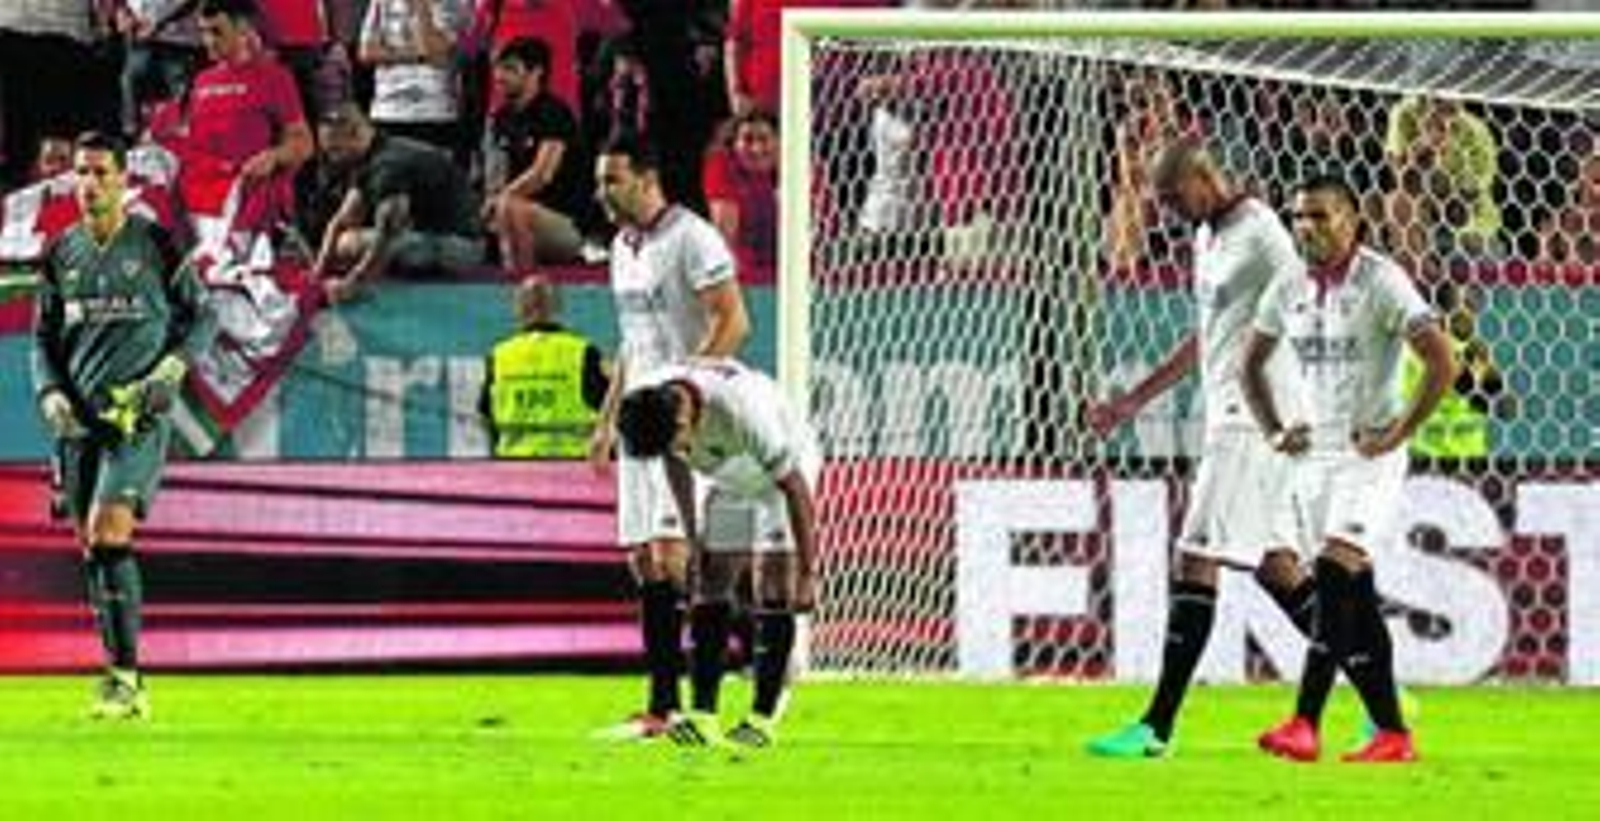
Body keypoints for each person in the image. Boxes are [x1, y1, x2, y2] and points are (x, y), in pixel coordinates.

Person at [1084, 136, 1328, 759]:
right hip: (1232, 416)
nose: (1167, 211)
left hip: (1255, 418)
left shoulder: (1265, 234)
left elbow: (1316, 293)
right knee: (1277, 566)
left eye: (1172, 197)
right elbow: (1207, 337)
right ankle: (1377, 685)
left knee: (1195, 557)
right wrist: (1132, 401)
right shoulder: (1207, 238)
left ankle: (1155, 728)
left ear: (1204, 177)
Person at [1245, 174, 1455, 763]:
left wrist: (1398, 432)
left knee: (1336, 574)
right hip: (1313, 458)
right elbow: (1250, 363)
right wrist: (1272, 428)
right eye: (1298, 217)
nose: (1306, 227)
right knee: (1351, 601)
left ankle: (1305, 723)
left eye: (1320, 216)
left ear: (1353, 219)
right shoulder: (1287, 284)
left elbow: (1442, 359)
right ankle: (1391, 731)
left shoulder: (1382, 280)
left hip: (1369, 457)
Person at [31, 131, 216, 719]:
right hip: (78, 423)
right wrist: (50, 393)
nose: (88, 185)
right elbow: (42, 339)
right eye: (81, 174)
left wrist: (169, 367)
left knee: (109, 531)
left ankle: (128, 679)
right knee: (92, 546)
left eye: (100, 173)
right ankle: (118, 676)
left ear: (123, 180)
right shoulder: (62, 253)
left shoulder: (157, 244)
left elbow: (203, 318)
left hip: (135, 417)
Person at [589, 135, 751, 741]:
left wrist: (685, 393)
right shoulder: (621, 249)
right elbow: (633, 342)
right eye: (601, 181)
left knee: (676, 555)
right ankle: (661, 706)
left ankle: (717, 685)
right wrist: (606, 419)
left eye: (612, 180)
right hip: (637, 420)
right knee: (643, 560)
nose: (602, 192)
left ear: (648, 178)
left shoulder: (694, 237)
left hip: (684, 421)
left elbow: (734, 321)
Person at [616, 357, 819, 748]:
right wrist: (694, 542)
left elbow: (794, 488)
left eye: (673, 442)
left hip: (781, 478)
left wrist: (809, 574)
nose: (672, 450)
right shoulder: (656, 402)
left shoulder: (743, 411)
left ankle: (761, 720)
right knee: (710, 579)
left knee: (773, 586)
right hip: (728, 475)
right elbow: (676, 466)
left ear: (683, 423)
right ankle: (703, 718)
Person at [312, 104, 484, 302]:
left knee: (357, 244)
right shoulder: (372, 153)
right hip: (430, 235)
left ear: (356, 134)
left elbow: (389, 234)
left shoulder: (388, 166)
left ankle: (420, 275)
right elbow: (341, 220)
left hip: (461, 247)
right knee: (344, 243)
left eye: (335, 150)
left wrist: (353, 284)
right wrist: (317, 271)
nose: (331, 159)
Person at [185, 0, 314, 227]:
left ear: (243, 29)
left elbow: (304, 144)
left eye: (217, 32)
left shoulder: (275, 77)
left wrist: (274, 156)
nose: (208, 41)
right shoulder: (200, 81)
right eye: (203, 32)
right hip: (200, 205)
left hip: (251, 205)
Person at [484, 36, 587, 271]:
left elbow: (543, 174)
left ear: (536, 73)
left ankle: (523, 279)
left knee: (510, 207)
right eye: (497, 68)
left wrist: (500, 200)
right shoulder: (500, 117)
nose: (499, 76)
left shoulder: (554, 113)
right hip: (512, 216)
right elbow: (496, 174)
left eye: (510, 69)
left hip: (564, 225)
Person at [479, 274, 608, 458]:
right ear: (558, 307)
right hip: (574, 466)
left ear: (518, 309)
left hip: (514, 465)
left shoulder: (499, 356)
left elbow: (486, 414)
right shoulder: (583, 352)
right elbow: (609, 408)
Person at [1383, 95, 1502, 276]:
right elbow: (1401, 181)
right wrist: (1425, 147)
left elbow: (1458, 213)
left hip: (1472, 233)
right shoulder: (1404, 113)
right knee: (1395, 202)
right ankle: (1421, 282)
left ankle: (1434, 286)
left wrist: (1438, 150)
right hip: (1421, 224)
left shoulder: (1476, 131)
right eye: (1437, 102)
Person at [1402, 281, 1509, 468]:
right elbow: (1503, 409)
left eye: (1474, 305)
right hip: (1430, 459)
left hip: (1467, 458)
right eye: (1464, 304)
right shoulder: (1417, 353)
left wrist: (1489, 380)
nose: (1471, 312)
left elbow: (1503, 409)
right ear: (1441, 311)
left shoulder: (1475, 354)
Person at [358, 0, 469, 158]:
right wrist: (417, 55)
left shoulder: (453, 3)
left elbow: (435, 52)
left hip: (435, 113)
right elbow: (366, 52)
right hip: (386, 112)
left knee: (431, 180)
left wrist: (420, 7)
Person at [702, 109, 778, 277]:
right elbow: (725, 237)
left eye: (764, 139)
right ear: (733, 143)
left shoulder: (802, 169)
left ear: (779, 142)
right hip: (747, 279)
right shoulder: (722, 165)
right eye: (747, 139)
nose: (756, 148)